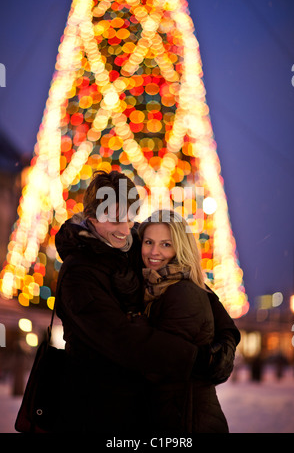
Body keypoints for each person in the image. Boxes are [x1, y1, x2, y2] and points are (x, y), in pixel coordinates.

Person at [54, 170, 239, 432]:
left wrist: (228, 336)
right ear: (92, 217)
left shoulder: (137, 242)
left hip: (144, 409)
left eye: (129, 218)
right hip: (98, 412)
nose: (123, 229)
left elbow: (191, 281)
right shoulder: (79, 273)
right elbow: (123, 339)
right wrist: (198, 360)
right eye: (114, 220)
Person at [138, 209, 232, 433]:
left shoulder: (183, 292)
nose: (154, 252)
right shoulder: (156, 286)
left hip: (187, 420)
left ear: (181, 248)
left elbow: (163, 364)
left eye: (166, 244)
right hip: (175, 414)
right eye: (148, 241)